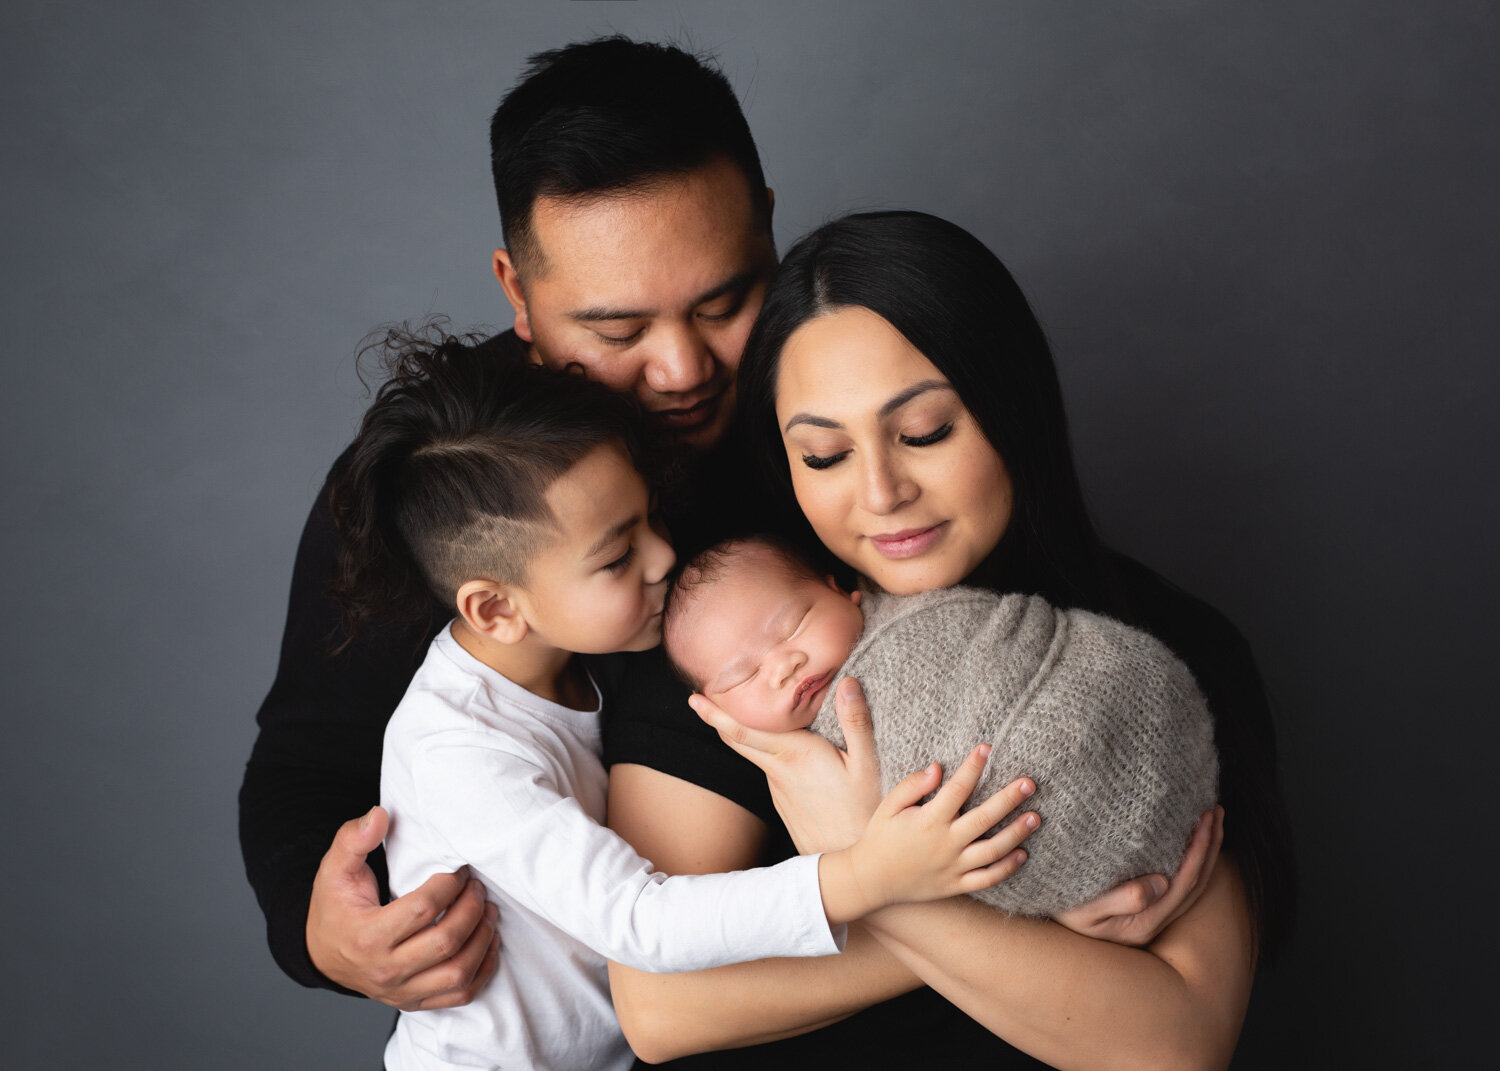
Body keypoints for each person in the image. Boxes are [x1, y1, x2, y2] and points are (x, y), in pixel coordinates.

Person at [604, 211, 1294, 1068]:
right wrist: (1000, 905)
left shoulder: (1160, 650)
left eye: (924, 432)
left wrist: (888, 880)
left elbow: (1174, 1045)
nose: (882, 491)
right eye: (823, 455)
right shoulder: (740, 639)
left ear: (1012, 407)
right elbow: (660, 1003)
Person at [239, 36, 791, 1007]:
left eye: (725, 303)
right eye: (616, 331)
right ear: (518, 295)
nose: (680, 369)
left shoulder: (843, 402)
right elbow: (305, 762)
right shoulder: (445, 484)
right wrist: (322, 932)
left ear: (768, 236)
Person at [330, 334, 1036, 1071]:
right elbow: (643, 921)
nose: (664, 557)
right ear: (495, 609)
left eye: (652, 518)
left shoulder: (585, 654)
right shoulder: (460, 753)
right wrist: (869, 875)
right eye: (616, 556)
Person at [662, 535, 1219, 917]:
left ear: (843, 591)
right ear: (715, 711)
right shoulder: (787, 776)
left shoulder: (922, 614)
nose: (784, 666)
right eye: (745, 675)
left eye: (794, 625)